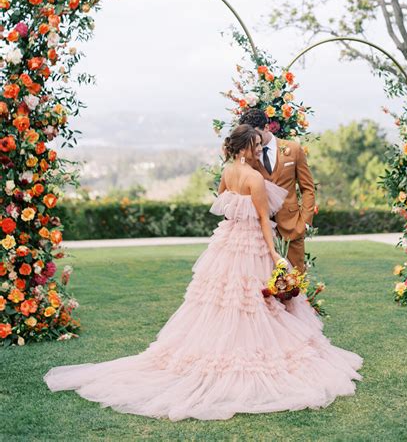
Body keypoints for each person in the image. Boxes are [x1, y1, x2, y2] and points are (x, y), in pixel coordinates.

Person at [43, 124, 362, 422]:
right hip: (250, 243)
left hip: (226, 242)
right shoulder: (254, 179)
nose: (255, 151)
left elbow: (222, 204)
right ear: (243, 149)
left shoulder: (227, 172)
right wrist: (274, 254)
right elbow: (266, 222)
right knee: (251, 300)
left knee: (223, 299)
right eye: (252, 147)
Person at [239, 109, 315, 273]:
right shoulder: (247, 157)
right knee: (264, 285)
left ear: (266, 127)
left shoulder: (293, 149)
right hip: (259, 233)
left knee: (295, 283)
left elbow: (308, 188)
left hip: (292, 228)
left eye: (256, 135)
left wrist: (305, 223)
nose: (253, 142)